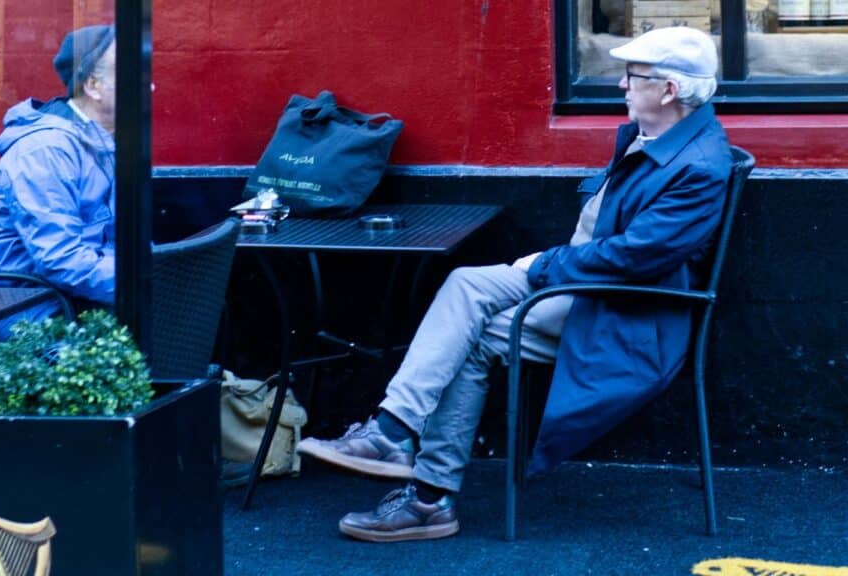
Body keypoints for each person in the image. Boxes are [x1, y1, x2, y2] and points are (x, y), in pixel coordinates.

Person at [296, 26, 732, 543]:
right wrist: (546, 266)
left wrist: (542, 265)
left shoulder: (699, 165)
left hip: (625, 312)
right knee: (465, 285)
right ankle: (395, 437)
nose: (621, 86)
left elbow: (637, 259)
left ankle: (421, 485)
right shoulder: (663, 137)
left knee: (473, 334)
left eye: (632, 78)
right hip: (586, 284)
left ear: (669, 91)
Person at [0, 25, 117, 319]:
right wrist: (142, 281)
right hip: (40, 315)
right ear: (93, 86)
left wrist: (156, 271)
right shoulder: (44, 151)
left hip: (82, 298)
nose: (149, 86)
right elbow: (62, 260)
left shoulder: (102, 139)